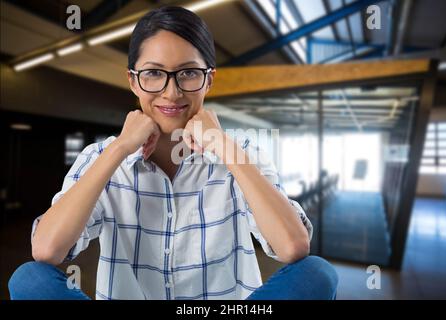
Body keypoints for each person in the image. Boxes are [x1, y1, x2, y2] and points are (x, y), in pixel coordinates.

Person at [8, 6, 337, 300]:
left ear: (209, 80)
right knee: (30, 279)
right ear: (133, 82)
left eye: (189, 73)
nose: (172, 92)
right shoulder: (102, 157)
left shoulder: (242, 152)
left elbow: (293, 247)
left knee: (317, 273)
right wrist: (120, 148)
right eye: (153, 73)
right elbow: (47, 250)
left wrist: (222, 145)